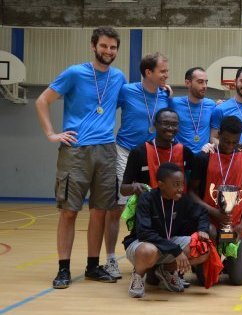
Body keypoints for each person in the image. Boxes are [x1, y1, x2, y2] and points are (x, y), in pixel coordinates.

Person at [35, 26, 127, 289]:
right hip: (76, 151)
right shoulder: (75, 73)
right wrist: (52, 134)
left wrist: (161, 89)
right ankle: (63, 269)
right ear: (93, 46)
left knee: (99, 212)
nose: (108, 51)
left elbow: (130, 98)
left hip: (107, 150)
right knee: (69, 212)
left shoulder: (118, 77)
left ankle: (92, 266)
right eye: (104, 46)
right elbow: (42, 101)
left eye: (113, 47)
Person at [105, 52, 171, 279]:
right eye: (162, 71)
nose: (166, 74)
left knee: (154, 205)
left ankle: (154, 257)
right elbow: (105, 110)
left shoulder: (165, 95)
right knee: (118, 207)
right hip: (125, 152)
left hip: (151, 155)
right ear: (148, 72)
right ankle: (111, 258)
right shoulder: (127, 90)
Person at [123, 163, 210, 298]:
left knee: (202, 248)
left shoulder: (182, 199)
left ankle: (167, 270)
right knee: (148, 251)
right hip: (143, 243)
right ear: (161, 184)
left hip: (168, 243)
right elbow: (145, 233)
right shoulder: (147, 199)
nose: (181, 189)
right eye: (176, 185)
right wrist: (176, 250)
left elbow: (202, 213)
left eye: (182, 184)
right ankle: (138, 276)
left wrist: (203, 229)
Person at [189, 115, 242, 285]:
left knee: (239, 280)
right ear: (218, 134)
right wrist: (213, 212)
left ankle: (225, 260)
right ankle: (202, 263)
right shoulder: (204, 157)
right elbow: (190, 192)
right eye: (226, 141)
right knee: (207, 280)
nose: (230, 146)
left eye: (235, 142)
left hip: (236, 223)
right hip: (210, 222)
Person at [171, 67, 216, 154]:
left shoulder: (211, 105)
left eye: (206, 82)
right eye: (200, 82)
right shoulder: (174, 103)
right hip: (181, 156)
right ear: (188, 83)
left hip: (203, 156)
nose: (205, 86)